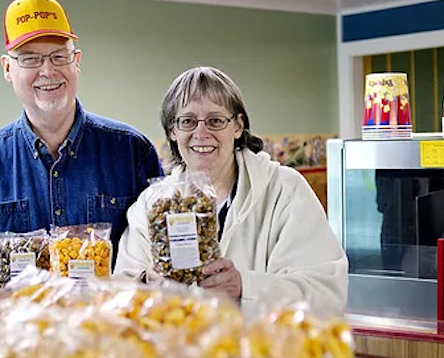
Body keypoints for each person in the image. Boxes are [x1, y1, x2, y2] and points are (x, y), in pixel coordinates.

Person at [0, 0, 163, 295]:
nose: (48, 70)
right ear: (8, 69)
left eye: (59, 56)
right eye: (30, 58)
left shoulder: (133, 152)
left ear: (77, 62)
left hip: (109, 333)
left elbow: (160, 246)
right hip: (15, 335)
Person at [114, 67, 348, 315]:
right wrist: (147, 285)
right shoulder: (154, 203)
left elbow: (327, 292)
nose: (201, 133)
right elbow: (121, 291)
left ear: (238, 126)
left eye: (215, 120)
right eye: (187, 121)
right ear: (173, 131)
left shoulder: (284, 190)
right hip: (178, 350)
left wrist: (245, 288)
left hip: (262, 350)